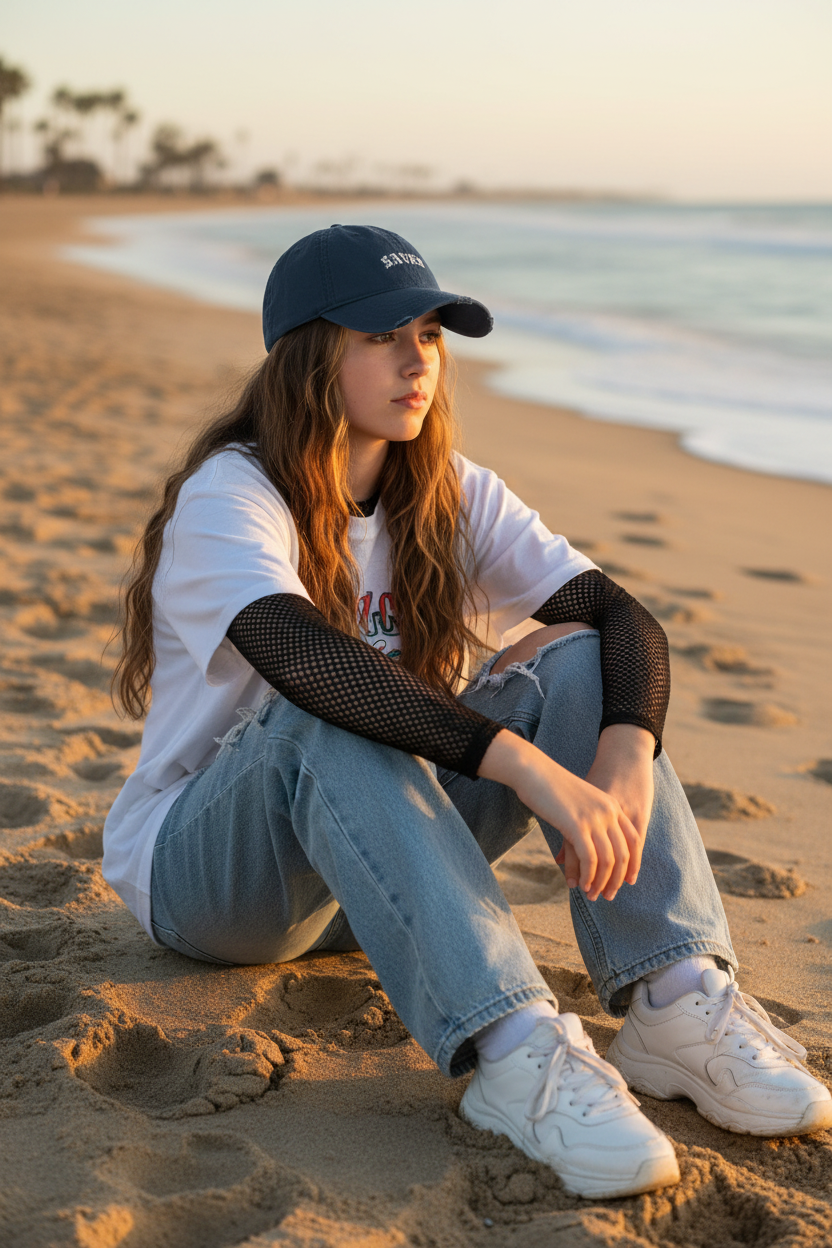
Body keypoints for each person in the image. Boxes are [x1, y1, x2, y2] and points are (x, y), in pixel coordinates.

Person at [103, 224, 831, 1200]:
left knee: (575, 659)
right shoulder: (231, 495)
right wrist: (528, 772)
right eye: (382, 337)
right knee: (330, 707)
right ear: (308, 354)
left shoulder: (446, 493)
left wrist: (621, 759)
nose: (418, 362)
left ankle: (674, 997)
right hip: (217, 886)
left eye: (432, 335)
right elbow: (306, 660)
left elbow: (623, 620)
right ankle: (516, 1052)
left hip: (378, 868)